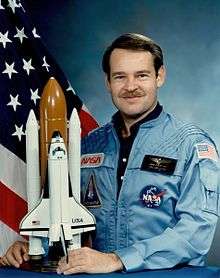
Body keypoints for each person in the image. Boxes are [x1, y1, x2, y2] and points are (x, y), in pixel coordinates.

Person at [1, 33, 219, 274]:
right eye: (120, 77)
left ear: (160, 76)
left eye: (142, 75)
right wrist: (36, 247)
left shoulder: (191, 145)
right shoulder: (89, 146)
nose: (130, 86)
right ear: (108, 82)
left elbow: (196, 231)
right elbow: (72, 224)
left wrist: (118, 259)